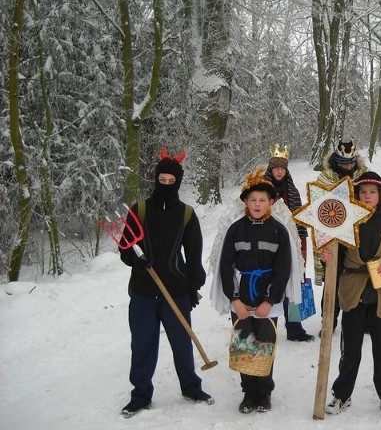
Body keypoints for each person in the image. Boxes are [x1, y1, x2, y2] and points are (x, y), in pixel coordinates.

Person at [118, 147, 211, 418]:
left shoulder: (186, 214)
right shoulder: (141, 209)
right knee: (143, 344)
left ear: (179, 182)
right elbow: (125, 249)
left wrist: (193, 286)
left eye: (172, 181)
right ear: (156, 178)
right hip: (143, 292)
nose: (167, 185)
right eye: (162, 180)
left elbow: (194, 254)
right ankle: (140, 395)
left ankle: (191, 387)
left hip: (177, 291)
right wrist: (137, 261)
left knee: (182, 342)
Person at [321, 171, 381, 418]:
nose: (367, 196)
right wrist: (328, 258)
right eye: (363, 192)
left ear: (380, 195)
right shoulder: (345, 222)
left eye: (372, 192)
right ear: (356, 195)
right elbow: (334, 257)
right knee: (351, 352)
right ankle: (341, 395)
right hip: (353, 293)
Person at [217, 168, 292, 414]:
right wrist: (234, 299)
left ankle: (264, 391)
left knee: (264, 343)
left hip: (266, 299)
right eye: (252, 200)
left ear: (271, 202)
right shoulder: (236, 229)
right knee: (245, 343)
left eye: (262, 200)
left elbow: (283, 268)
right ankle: (249, 391)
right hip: (242, 296)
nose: (257, 204)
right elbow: (226, 266)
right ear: (245, 203)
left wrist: (270, 301)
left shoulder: (278, 230)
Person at [314, 137, 369, 334]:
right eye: (344, 163)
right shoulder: (325, 178)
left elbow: (375, 195)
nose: (348, 166)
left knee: (360, 275)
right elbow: (318, 207)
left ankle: (362, 319)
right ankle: (328, 319)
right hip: (333, 234)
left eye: (351, 162)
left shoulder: (364, 175)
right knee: (333, 276)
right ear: (337, 161)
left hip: (358, 234)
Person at [264, 144, 315, 342]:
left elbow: (300, 222)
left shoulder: (292, 192)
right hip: (268, 245)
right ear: (270, 169)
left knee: (293, 284)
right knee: (269, 285)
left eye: (282, 168)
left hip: (291, 245)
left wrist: (301, 249)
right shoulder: (261, 190)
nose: (279, 171)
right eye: (276, 167)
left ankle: (294, 327)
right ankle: (266, 326)